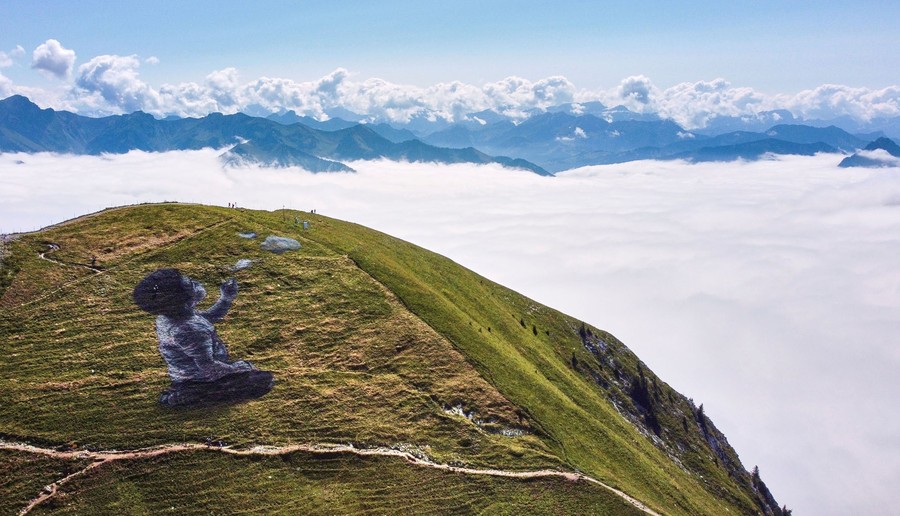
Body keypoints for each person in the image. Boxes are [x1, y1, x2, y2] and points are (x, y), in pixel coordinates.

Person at [133, 269, 274, 407]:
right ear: (182, 298)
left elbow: (207, 318)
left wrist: (226, 299)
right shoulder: (189, 330)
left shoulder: (173, 318)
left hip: (188, 376)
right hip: (203, 379)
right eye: (192, 284)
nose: (197, 283)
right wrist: (237, 368)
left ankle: (184, 391)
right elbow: (208, 366)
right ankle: (188, 395)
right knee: (262, 380)